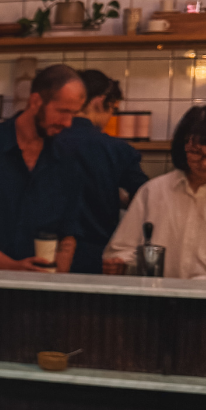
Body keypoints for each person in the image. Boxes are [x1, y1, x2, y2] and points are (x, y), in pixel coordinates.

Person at [0, 64, 85, 272]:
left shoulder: (67, 156)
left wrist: (57, 277)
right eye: (62, 111)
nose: (68, 123)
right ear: (35, 101)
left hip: (44, 280)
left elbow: (69, 229)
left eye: (73, 114)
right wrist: (10, 267)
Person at [103, 105, 206, 280]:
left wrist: (192, 288)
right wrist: (121, 264)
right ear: (181, 149)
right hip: (156, 294)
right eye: (195, 152)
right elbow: (122, 249)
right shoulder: (153, 191)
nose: (204, 163)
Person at [58, 69, 149, 273]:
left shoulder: (46, 141)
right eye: (113, 110)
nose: (110, 117)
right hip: (98, 256)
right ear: (100, 101)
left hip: (44, 250)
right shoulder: (117, 150)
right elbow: (147, 197)